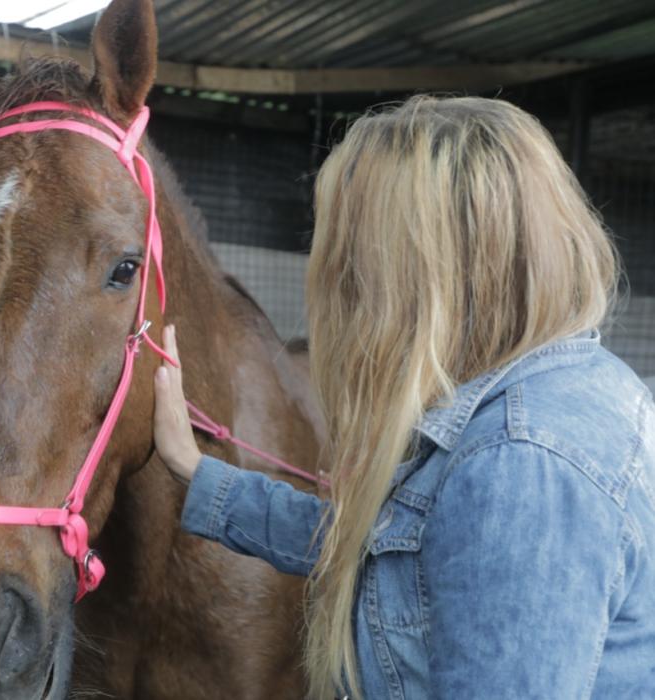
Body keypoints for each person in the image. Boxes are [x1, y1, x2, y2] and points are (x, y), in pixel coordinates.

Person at [152, 95, 655, 699]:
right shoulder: (562, 388)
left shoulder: (519, 464)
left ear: (411, 279)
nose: (336, 278)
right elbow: (381, 552)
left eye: (351, 257)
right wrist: (195, 469)